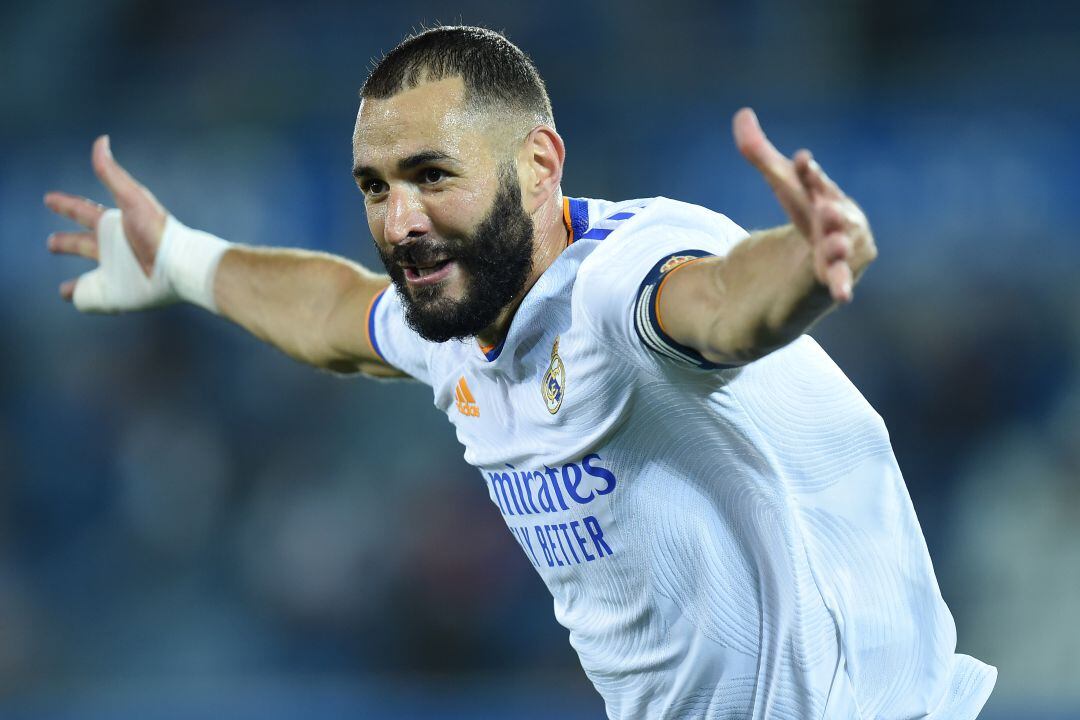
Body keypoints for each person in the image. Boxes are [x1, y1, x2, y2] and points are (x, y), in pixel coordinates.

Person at [44, 25, 995, 720]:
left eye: (432, 175)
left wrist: (804, 265)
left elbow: (718, 305)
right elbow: (332, 315)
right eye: (375, 187)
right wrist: (183, 260)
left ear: (538, 164)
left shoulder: (615, 284)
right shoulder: (455, 313)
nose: (399, 220)